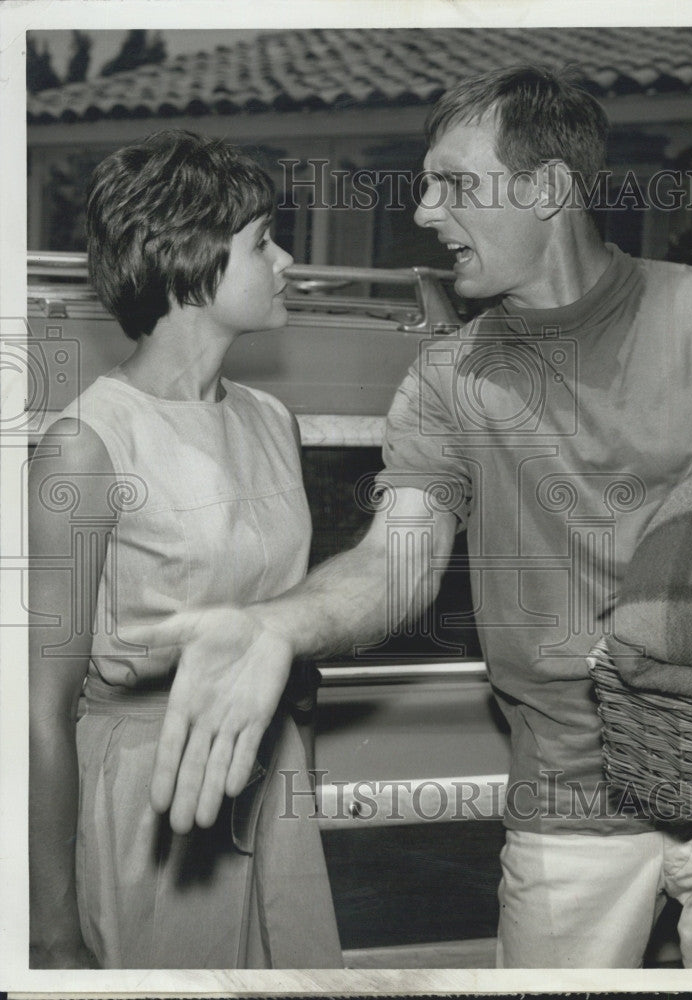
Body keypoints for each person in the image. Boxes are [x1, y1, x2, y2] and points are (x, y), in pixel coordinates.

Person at [135, 69, 692, 968]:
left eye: (454, 184)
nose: (424, 212)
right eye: (425, 184)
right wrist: (275, 625)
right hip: (570, 805)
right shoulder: (446, 379)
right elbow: (400, 561)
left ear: (546, 190)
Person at [27, 130, 342, 969]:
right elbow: (37, 707)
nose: (285, 263)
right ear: (186, 256)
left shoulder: (273, 422)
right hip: (146, 799)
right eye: (262, 241)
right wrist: (50, 931)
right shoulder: (86, 444)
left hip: (269, 779)